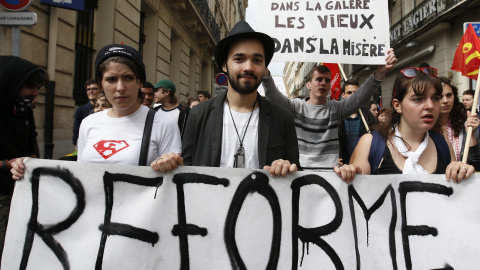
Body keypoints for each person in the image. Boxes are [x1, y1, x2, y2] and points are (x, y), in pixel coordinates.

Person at [12, 44, 182, 176]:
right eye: (111, 79)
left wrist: (172, 163)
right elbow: (80, 174)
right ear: (101, 84)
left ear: (139, 82)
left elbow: (174, 180)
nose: (120, 87)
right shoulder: (89, 123)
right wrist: (26, 168)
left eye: (128, 78)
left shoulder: (163, 123)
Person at [157, 21, 300, 176]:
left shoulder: (282, 118)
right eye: (239, 59)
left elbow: (296, 174)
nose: (248, 67)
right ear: (224, 65)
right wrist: (171, 163)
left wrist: (287, 167)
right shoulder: (198, 114)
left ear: (265, 67)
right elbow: (186, 169)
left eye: (257, 60)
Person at [262, 49, 397, 171]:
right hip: (300, 173)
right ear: (308, 84)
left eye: (327, 80)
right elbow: (274, 98)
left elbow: (359, 97)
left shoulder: (336, 109)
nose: (323, 83)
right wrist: (265, 74)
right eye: (319, 79)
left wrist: (380, 73)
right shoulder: (296, 107)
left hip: (331, 175)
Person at [335, 67, 474, 183]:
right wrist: (350, 176)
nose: (430, 106)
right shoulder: (370, 144)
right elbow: (355, 205)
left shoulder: (443, 144)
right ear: (397, 105)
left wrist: (461, 173)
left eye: (435, 98)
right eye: (418, 99)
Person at [0, 55, 48, 259]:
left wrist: (31, 161)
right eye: (31, 88)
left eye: (38, 88)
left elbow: (31, 145)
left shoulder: (24, 111)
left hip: (21, 191)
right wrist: (8, 164)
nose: (35, 94)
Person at [437, 77, 480, 170]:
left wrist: (471, 133)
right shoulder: (426, 127)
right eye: (439, 96)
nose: (445, 101)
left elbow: (476, 163)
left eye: (449, 95)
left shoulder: (465, 122)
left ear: (455, 97)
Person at [338, 79, 376, 165]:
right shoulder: (336, 116)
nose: (353, 96)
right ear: (343, 95)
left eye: (355, 93)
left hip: (363, 166)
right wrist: (333, 158)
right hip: (343, 167)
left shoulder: (368, 116)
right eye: (349, 93)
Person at [72, 79, 101, 147]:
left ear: (101, 91)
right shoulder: (80, 110)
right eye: (88, 89)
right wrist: (75, 145)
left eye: (94, 89)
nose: (91, 91)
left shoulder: (107, 109)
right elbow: (76, 130)